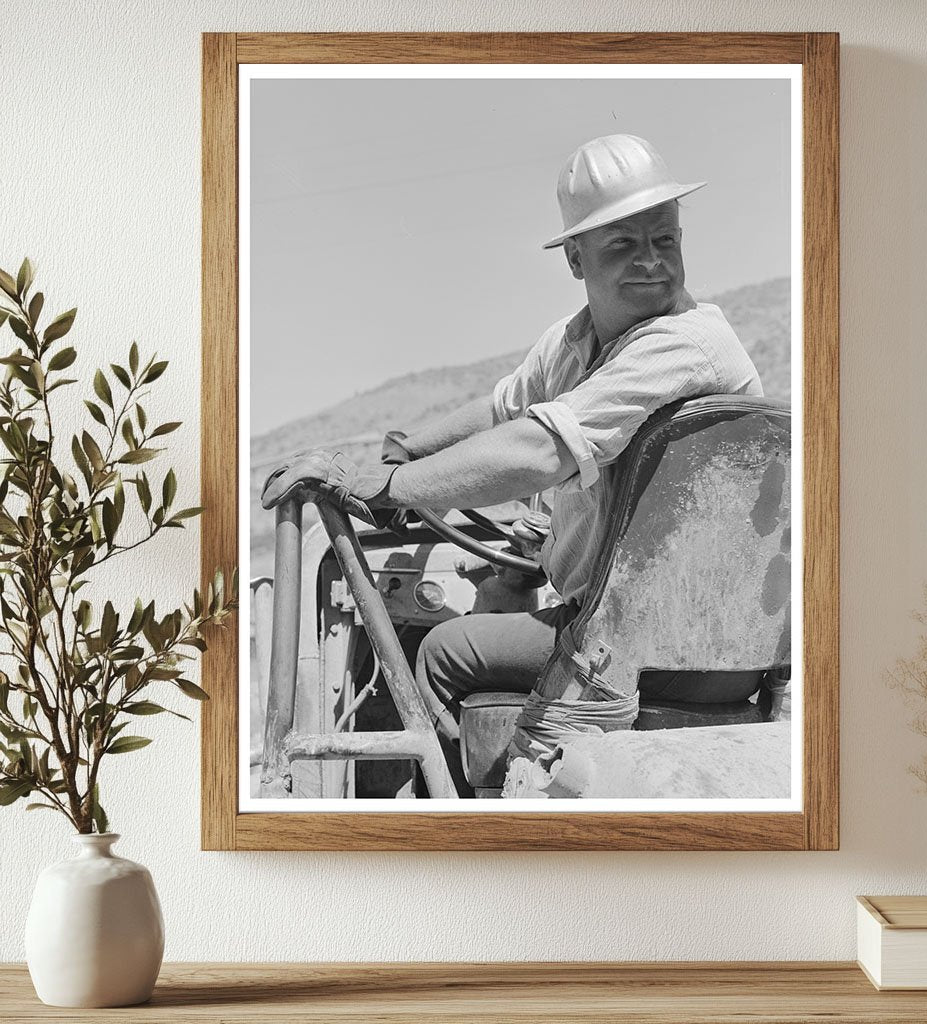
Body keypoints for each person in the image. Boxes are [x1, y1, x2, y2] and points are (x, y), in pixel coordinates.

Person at [261, 134, 763, 775]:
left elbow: (538, 448)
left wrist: (386, 488)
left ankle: (430, 836)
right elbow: (504, 410)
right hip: (669, 633)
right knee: (504, 598)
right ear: (576, 260)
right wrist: (405, 451)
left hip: (669, 641)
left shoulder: (684, 344)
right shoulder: (575, 342)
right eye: (624, 245)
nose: (652, 262)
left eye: (665, 240)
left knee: (441, 649)